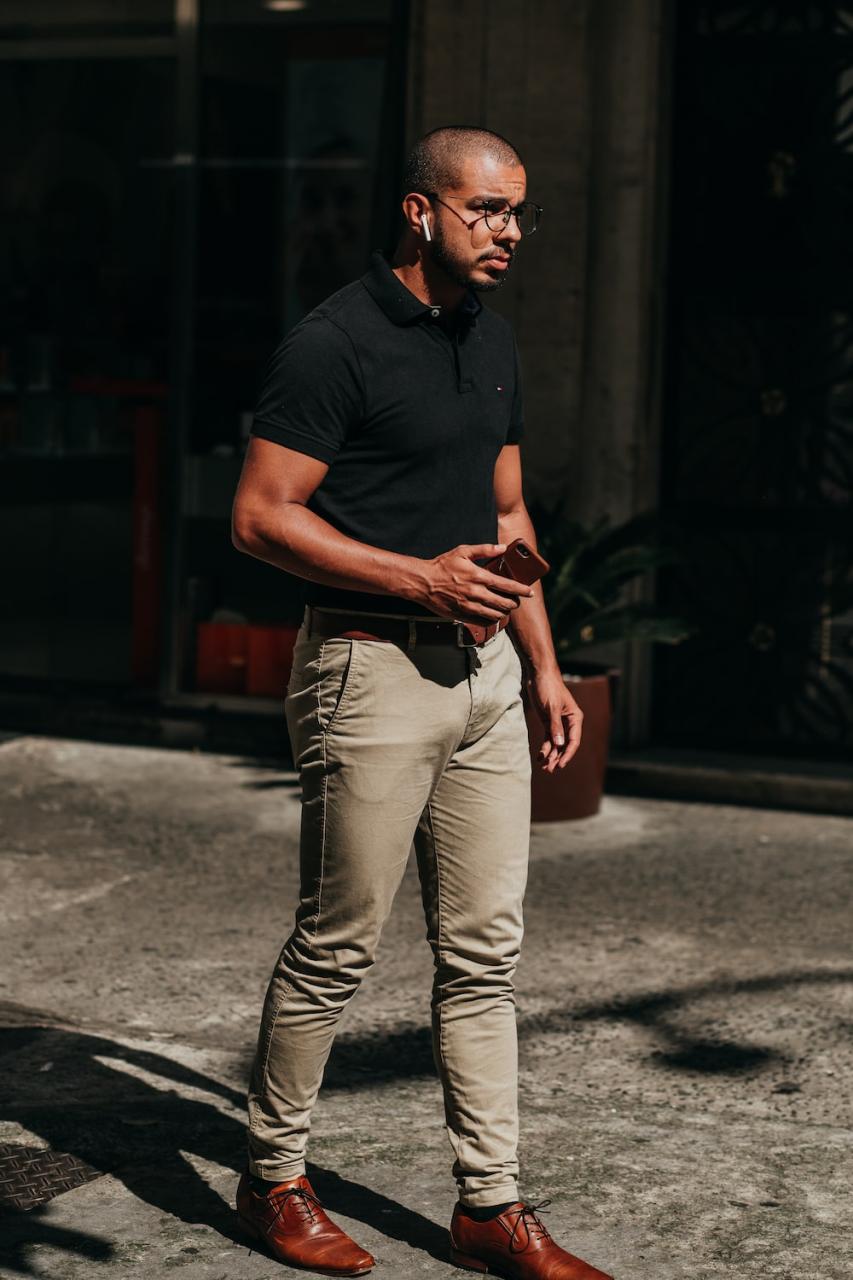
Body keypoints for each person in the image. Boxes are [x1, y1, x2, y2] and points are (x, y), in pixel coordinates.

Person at [231, 126, 612, 1280]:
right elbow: (259, 516)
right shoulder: (333, 342)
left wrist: (542, 663)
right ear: (419, 210)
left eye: (516, 214)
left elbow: (507, 519)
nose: (504, 234)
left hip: (487, 676)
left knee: (486, 951)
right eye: (484, 210)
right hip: (370, 669)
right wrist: (418, 579)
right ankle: (272, 1174)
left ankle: (489, 1204)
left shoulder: (488, 340)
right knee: (337, 944)